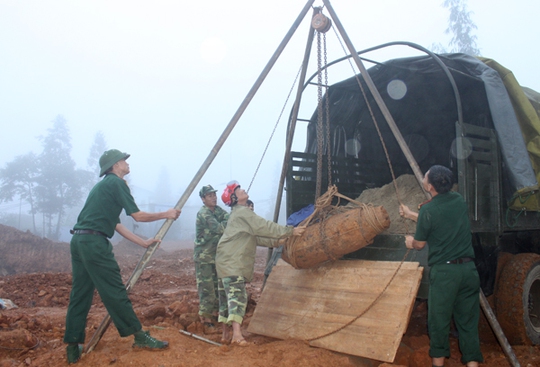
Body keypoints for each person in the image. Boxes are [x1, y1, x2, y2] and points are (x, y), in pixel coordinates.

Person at [63, 149, 181, 364]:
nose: (127, 163)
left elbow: (115, 223)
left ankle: (72, 347)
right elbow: (137, 215)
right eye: (123, 160)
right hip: (94, 244)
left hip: (79, 241)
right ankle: (139, 336)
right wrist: (167, 213)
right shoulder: (116, 183)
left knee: (80, 294)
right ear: (115, 165)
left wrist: (142, 242)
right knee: (114, 291)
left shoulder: (102, 187)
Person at [400, 165, 483, 367]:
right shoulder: (459, 201)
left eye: (425, 176)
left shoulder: (428, 210)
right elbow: (440, 219)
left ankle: (438, 364)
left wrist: (411, 242)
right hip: (469, 271)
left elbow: (420, 243)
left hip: (445, 274)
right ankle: (472, 364)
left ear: (430, 186)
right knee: (468, 322)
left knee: (439, 322)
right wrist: (411, 214)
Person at [216, 181, 305, 346]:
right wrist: (290, 231)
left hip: (225, 262)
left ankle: (225, 334)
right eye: (239, 190)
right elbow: (264, 226)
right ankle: (237, 336)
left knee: (225, 298)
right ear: (234, 197)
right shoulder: (243, 213)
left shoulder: (237, 215)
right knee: (237, 296)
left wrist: (280, 241)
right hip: (233, 262)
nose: (243, 190)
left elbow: (257, 238)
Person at [194, 184, 229, 333]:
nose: (214, 198)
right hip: (204, 257)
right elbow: (220, 228)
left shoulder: (217, 210)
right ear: (203, 199)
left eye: (214, 195)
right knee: (207, 289)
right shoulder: (204, 213)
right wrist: (227, 223)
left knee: (216, 286)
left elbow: (229, 218)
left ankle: (213, 315)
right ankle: (206, 320)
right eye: (209, 196)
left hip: (215, 256)